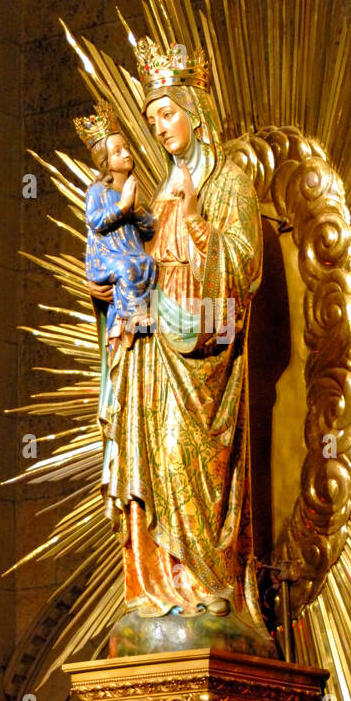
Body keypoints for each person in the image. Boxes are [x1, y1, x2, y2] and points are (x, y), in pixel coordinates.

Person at [87, 41, 275, 658]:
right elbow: (139, 266)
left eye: (167, 111)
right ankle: (160, 587)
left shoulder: (229, 183)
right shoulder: (158, 193)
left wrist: (195, 223)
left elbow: (243, 271)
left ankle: (211, 583)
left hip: (206, 360)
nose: (158, 125)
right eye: (151, 117)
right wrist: (113, 293)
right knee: (154, 459)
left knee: (189, 459)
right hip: (151, 354)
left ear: (194, 107)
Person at [76, 101, 157, 346]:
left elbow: (149, 228)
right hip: (107, 257)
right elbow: (95, 220)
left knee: (147, 264)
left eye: (126, 148)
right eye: (117, 151)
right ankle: (129, 317)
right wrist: (123, 206)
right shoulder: (98, 190)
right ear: (104, 161)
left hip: (132, 252)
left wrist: (137, 208)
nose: (126, 154)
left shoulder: (132, 190)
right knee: (127, 267)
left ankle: (138, 314)